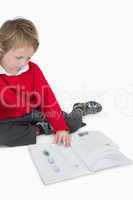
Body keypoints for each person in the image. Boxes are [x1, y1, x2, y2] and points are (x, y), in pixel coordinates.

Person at [0, 17, 102, 148]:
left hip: (34, 111)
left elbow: (47, 99)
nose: (23, 63)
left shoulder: (33, 69)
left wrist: (60, 127)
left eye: (28, 58)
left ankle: (79, 109)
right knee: (3, 136)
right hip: (7, 119)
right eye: (19, 57)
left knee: (69, 124)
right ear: (2, 49)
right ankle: (41, 129)